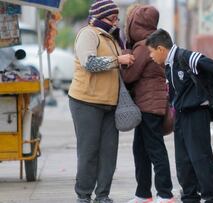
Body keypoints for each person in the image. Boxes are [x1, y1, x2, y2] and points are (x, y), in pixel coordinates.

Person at [146, 28, 213, 203]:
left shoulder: (186, 57)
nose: (150, 56)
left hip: (196, 114)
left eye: (151, 52)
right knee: (183, 161)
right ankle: (189, 196)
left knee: (200, 158)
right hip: (181, 116)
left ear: (160, 49)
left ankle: (211, 197)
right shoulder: (169, 66)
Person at [68, 0, 134, 202]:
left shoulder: (112, 38)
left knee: (109, 152)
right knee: (89, 151)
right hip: (86, 101)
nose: (115, 22)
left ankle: (103, 195)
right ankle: (83, 195)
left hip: (109, 102)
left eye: (117, 18)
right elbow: (90, 63)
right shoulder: (88, 33)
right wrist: (117, 61)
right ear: (98, 17)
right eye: (111, 18)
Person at [121, 5, 174, 203]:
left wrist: (124, 56)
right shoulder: (154, 41)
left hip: (149, 104)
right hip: (150, 103)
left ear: (136, 23)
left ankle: (165, 194)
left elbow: (129, 76)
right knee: (141, 150)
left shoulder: (143, 45)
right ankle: (143, 194)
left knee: (154, 149)